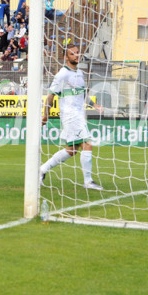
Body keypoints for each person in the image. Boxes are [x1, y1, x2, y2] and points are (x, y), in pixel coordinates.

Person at [40, 44, 102, 190]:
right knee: (87, 144)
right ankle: (88, 181)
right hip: (70, 115)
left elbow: (83, 93)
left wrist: (94, 105)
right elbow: (50, 96)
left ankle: (42, 170)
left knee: (72, 150)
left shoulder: (79, 73)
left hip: (78, 115)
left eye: (77, 53)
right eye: (72, 53)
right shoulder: (62, 74)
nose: (76, 55)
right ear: (66, 57)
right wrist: (45, 115)